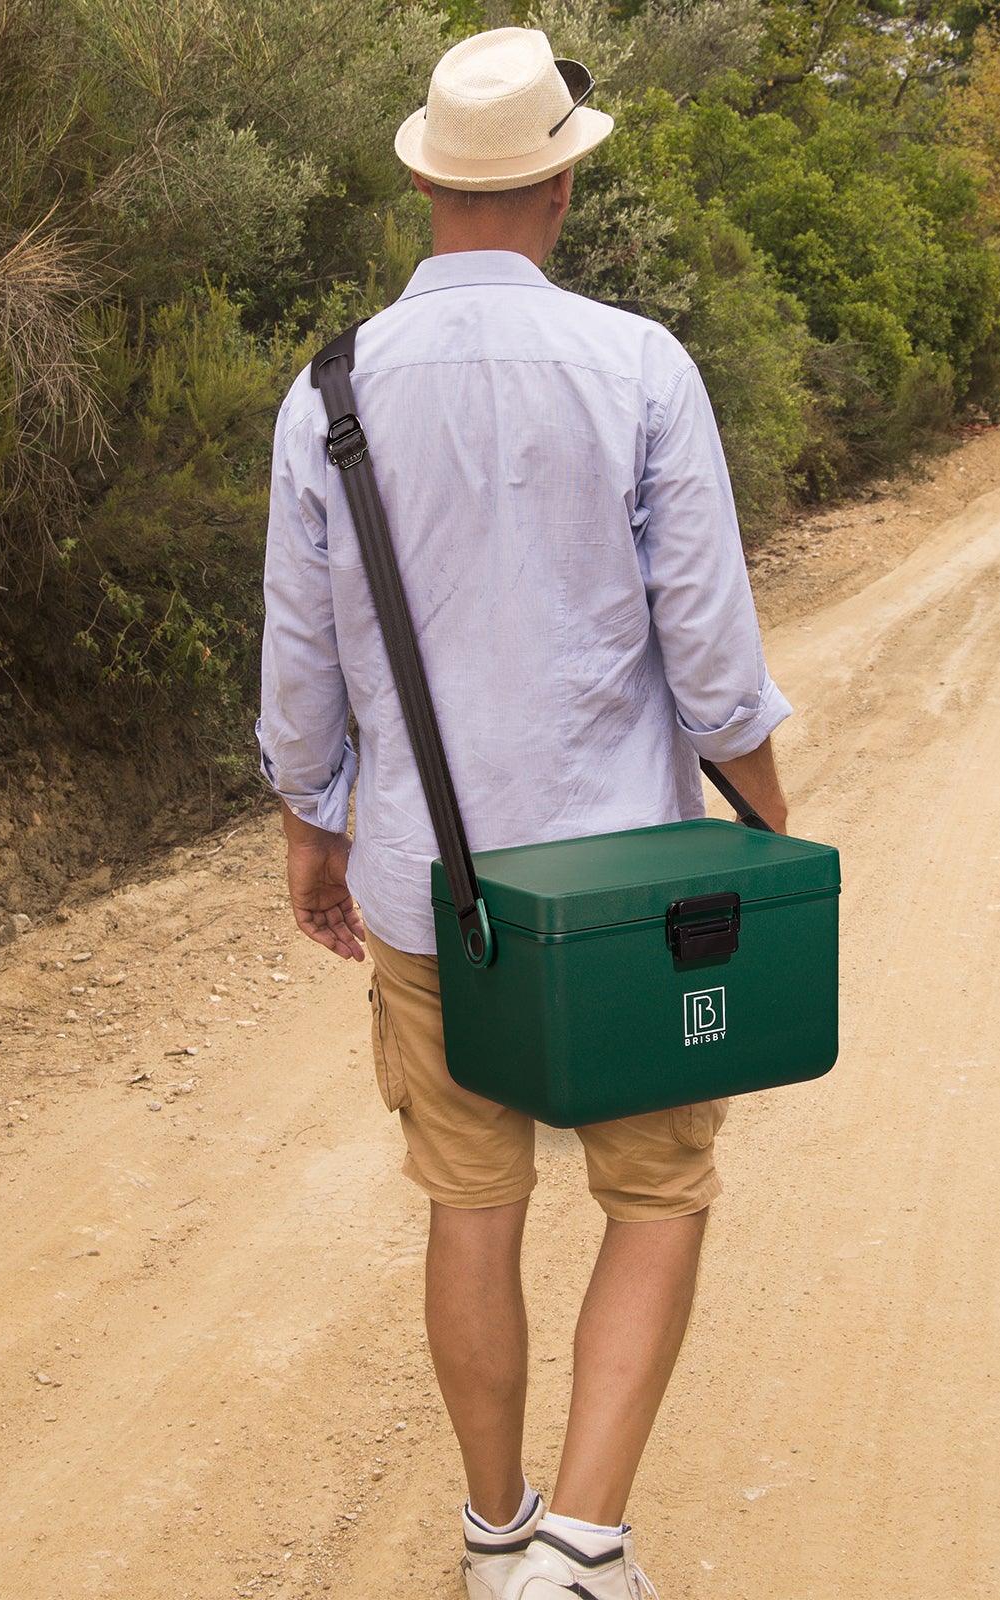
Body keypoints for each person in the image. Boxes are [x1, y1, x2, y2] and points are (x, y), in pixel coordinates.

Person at [257, 27, 790, 1600]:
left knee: (471, 1204)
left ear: (430, 184)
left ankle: (496, 1536)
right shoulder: (639, 365)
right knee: (658, 1190)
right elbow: (711, 657)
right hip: (636, 898)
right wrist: (770, 825)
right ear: (562, 182)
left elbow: (303, 663)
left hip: (437, 893)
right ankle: (586, 1542)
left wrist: (313, 827)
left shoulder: (330, 388)